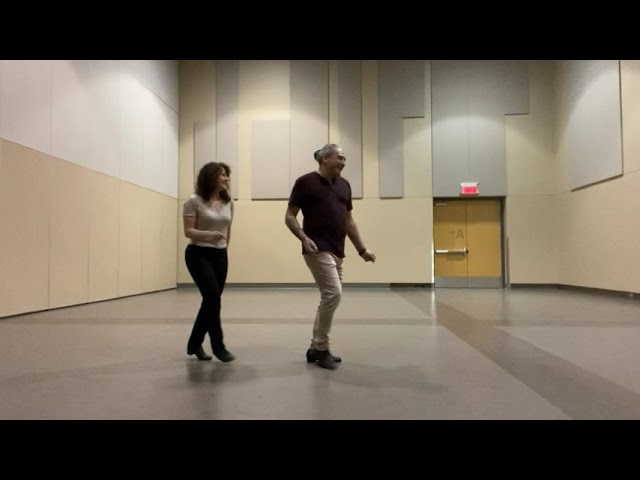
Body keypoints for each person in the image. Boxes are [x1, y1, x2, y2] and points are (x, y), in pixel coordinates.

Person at [285, 144, 376, 370]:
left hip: (337, 249)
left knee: (330, 297)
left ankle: (315, 347)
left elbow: (348, 221)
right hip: (316, 247)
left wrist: (362, 249)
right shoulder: (305, 182)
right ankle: (321, 347)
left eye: (344, 159)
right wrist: (303, 238)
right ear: (325, 159)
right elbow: (289, 216)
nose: (343, 162)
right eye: (340, 157)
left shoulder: (344, 185)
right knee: (333, 293)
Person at [182, 162, 235, 363]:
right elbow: (188, 231)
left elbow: (228, 229)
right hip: (198, 254)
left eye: (227, 175)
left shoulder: (229, 202)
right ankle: (219, 346)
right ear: (210, 177)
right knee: (213, 299)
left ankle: (194, 343)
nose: (226, 178)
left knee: (211, 301)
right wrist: (208, 235)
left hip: (219, 255)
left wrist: (224, 249)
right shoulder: (193, 201)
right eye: (222, 175)